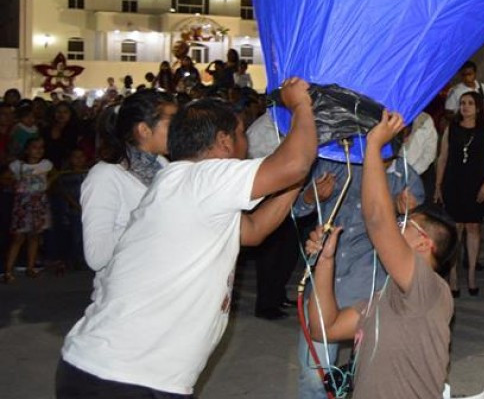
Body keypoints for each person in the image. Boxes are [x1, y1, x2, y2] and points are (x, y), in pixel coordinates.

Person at [57, 78, 317, 397]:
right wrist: (301, 105)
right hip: (123, 377)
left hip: (123, 375)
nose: (246, 143)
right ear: (224, 141)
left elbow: (253, 230)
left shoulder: (186, 182)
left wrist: (293, 185)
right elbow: (293, 163)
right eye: (241, 134)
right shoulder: (203, 176)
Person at [304, 112, 458, 399]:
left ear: (424, 244)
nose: (396, 226)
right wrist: (324, 261)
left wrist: (373, 146)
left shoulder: (430, 290)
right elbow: (324, 328)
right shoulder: (384, 298)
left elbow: (377, 221)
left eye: (404, 223)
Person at [291, 151, 422, 399]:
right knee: (315, 377)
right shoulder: (335, 162)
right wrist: (311, 196)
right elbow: (295, 209)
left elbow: (419, 243)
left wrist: (404, 214)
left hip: (369, 293)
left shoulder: (405, 177)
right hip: (323, 285)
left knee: (370, 379)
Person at [79, 91, 176, 296]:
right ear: (144, 129)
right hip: (125, 297)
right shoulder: (105, 176)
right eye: (172, 123)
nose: (180, 130)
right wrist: (148, 215)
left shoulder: (163, 166)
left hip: (163, 291)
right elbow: (96, 256)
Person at [433, 91, 484, 296]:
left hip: (476, 184)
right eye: (462, 103)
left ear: (478, 107)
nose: (465, 106)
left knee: (473, 227)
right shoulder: (452, 128)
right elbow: (442, 158)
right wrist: (438, 185)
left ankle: (471, 274)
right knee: (456, 228)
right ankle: (453, 275)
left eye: (470, 103)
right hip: (453, 183)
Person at [3, 137, 52, 281]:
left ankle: (30, 267)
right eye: (34, 147)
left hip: (39, 203)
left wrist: (48, 183)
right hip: (23, 204)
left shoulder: (46, 165)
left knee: (34, 236)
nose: (38, 150)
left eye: (41, 147)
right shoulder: (18, 166)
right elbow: (4, 178)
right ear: (27, 150)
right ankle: (8, 271)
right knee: (18, 237)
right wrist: (14, 184)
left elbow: (54, 176)